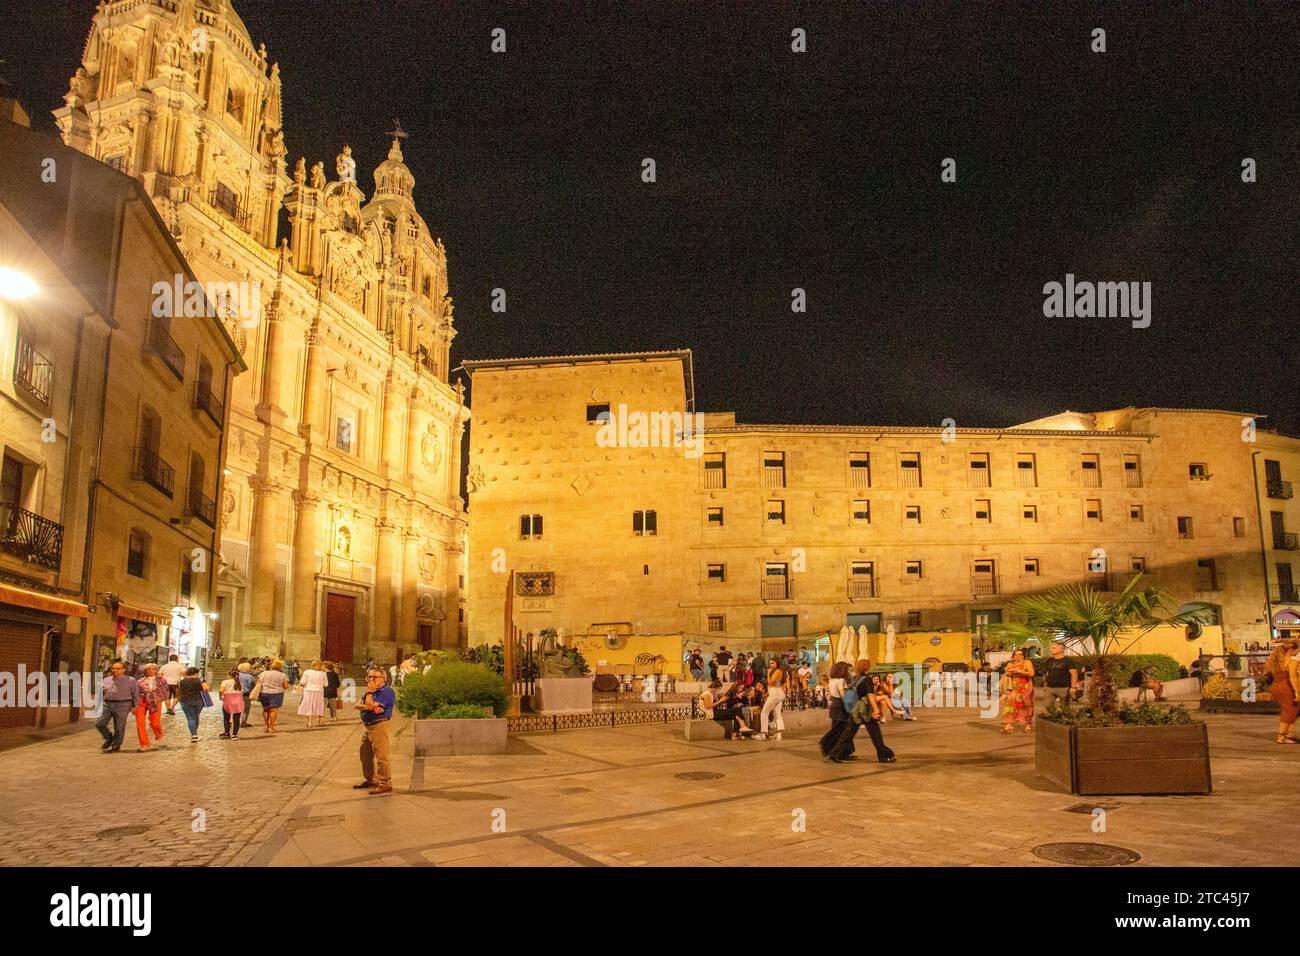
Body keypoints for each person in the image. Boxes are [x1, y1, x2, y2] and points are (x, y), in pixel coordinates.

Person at [355, 669, 396, 794]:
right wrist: (370, 705)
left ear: (383, 678)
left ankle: (385, 783)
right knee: (364, 754)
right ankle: (371, 779)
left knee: (381, 756)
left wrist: (369, 702)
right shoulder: (369, 691)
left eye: (374, 677)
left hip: (379, 725)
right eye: (369, 676)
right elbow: (358, 705)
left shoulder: (387, 691)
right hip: (366, 726)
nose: (370, 679)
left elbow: (371, 705)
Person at [96, 660, 138, 752]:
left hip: (123, 704)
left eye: (118, 668)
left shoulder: (130, 680)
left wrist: (135, 706)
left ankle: (116, 744)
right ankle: (109, 737)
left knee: (119, 726)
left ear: (123, 670)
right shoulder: (106, 680)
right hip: (107, 704)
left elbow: (135, 694)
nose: (115, 670)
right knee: (100, 723)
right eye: (113, 668)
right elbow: (101, 692)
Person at [819, 661, 853, 759]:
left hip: (834, 706)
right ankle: (831, 746)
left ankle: (844, 751)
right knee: (841, 731)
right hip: (841, 707)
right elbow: (843, 695)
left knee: (838, 729)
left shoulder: (832, 680)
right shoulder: (842, 680)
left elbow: (829, 696)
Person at [1267, 640, 1298, 745]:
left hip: (1276, 687)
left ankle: (1289, 734)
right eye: (1296, 649)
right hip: (1286, 687)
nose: (1297, 652)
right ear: (1291, 650)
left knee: (1294, 709)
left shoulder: (1274, 661)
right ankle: (1282, 737)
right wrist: (1297, 691)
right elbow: (1293, 677)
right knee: (1288, 710)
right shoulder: (1290, 661)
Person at [1001, 649, 1035, 733]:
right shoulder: (1010, 664)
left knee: (1026, 704)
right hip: (1014, 687)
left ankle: (1028, 724)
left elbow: (1031, 673)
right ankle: (1009, 725)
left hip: (1025, 686)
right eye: (1016, 654)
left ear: (1023, 656)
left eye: (1020, 654)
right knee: (1010, 703)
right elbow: (1007, 674)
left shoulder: (1027, 662)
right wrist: (1008, 672)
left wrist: (1019, 671)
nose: (1018, 656)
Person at [254, 659, 289, 734]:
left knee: (266, 709)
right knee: (273, 710)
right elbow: (286, 686)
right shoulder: (283, 675)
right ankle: (271, 727)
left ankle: (266, 725)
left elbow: (258, 682)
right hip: (276, 693)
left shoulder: (264, 673)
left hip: (264, 693)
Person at [177, 667, 209, 742]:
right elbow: (206, 688)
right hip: (198, 701)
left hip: (185, 701)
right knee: (196, 716)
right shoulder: (201, 680)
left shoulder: (180, 681)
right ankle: (194, 732)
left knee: (190, 718)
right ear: (196, 673)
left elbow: (179, 691)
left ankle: (193, 734)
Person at [757, 656, 786, 740]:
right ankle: (779, 734)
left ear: (777, 663)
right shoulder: (778, 671)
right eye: (770, 663)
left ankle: (763, 733)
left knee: (764, 712)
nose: (770, 665)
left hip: (775, 693)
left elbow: (770, 683)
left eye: (772, 663)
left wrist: (768, 673)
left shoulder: (777, 671)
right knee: (777, 713)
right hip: (777, 693)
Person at [298, 660, 328, 727]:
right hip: (319, 691)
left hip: (308, 691)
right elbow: (325, 684)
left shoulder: (307, 672)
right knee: (319, 706)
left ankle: (309, 722)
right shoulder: (323, 673)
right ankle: (320, 721)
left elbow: (302, 682)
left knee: (309, 706)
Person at [219, 669, 244, 739]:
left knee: (226, 717)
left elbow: (221, 690)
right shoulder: (240, 683)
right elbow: (241, 692)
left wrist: (220, 696)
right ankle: (234, 734)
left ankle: (227, 732)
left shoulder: (225, 682)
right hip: (238, 702)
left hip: (228, 701)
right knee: (237, 718)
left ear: (229, 675)